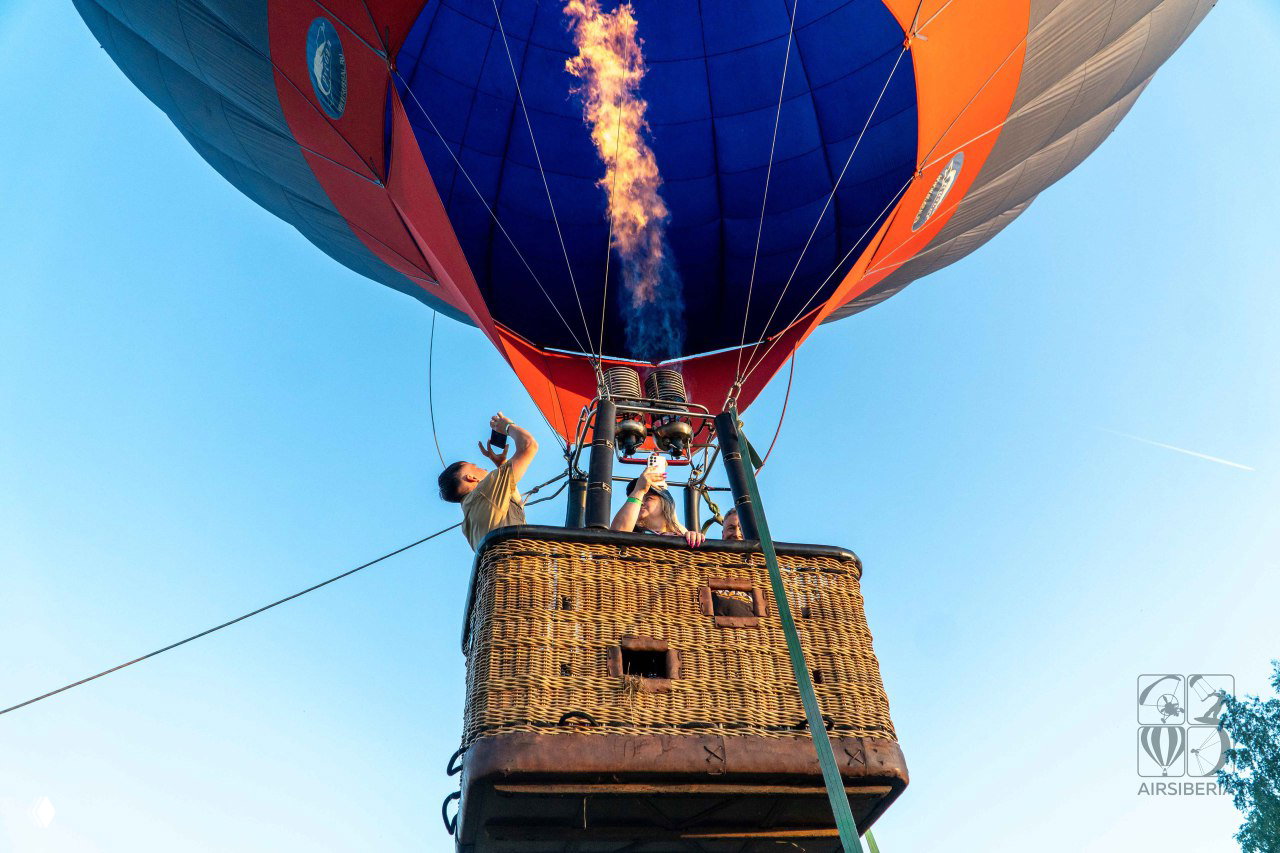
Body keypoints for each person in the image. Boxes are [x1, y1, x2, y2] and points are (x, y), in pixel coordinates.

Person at [438, 412, 538, 550]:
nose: (484, 468)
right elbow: (529, 445)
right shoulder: (485, 491)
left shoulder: (468, 522)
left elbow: (512, 503)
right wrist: (507, 426)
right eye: (476, 467)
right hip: (522, 561)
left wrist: (501, 464)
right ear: (471, 478)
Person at [610, 469, 706, 547]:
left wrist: (693, 537)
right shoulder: (632, 533)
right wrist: (639, 490)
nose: (640, 503)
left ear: (664, 503)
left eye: (648, 498)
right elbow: (615, 537)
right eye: (639, 499)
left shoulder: (680, 537)